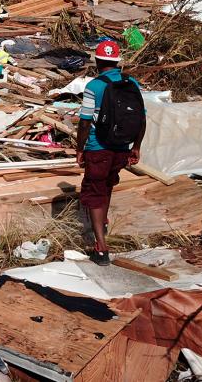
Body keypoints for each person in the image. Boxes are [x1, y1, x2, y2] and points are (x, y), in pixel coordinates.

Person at [75, 40, 146, 266]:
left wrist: (80, 148)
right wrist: (136, 146)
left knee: (95, 192)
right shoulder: (131, 82)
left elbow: (85, 123)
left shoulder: (93, 87)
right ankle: (103, 222)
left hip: (98, 147)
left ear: (97, 61)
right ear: (117, 61)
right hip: (121, 148)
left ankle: (101, 247)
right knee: (107, 186)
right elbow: (141, 118)